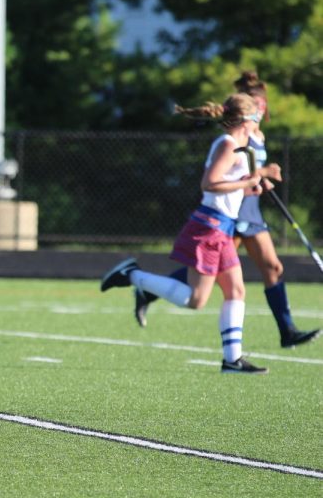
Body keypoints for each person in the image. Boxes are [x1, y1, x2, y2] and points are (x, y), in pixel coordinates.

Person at [135, 72, 320, 349]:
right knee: (207, 276)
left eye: (262, 105)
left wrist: (260, 180)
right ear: (246, 111)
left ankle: (285, 331)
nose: (260, 110)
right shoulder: (231, 141)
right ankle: (144, 287)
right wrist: (257, 176)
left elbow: (245, 172)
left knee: (270, 268)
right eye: (255, 106)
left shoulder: (258, 136)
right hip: (229, 212)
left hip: (249, 210)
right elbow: (220, 178)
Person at [101, 93, 268, 374]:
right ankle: (131, 275)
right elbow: (209, 184)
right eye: (256, 119)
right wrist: (247, 181)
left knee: (236, 290)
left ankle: (232, 360)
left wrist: (251, 185)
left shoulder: (241, 147)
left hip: (223, 227)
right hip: (209, 227)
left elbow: (233, 184)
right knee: (196, 300)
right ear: (246, 121)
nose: (258, 125)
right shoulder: (228, 145)